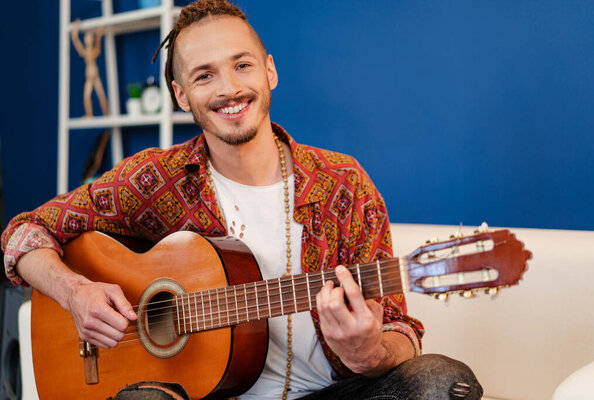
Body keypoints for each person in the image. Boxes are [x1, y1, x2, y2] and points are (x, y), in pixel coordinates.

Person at [1, 1, 483, 399]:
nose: (230, 88)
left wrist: (369, 352)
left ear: (269, 71)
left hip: (332, 394)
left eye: (242, 65)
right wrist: (75, 292)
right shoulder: (155, 180)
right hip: (204, 397)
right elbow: (24, 231)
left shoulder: (343, 183)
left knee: (438, 381)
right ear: (181, 94)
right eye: (204, 75)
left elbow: (401, 330)